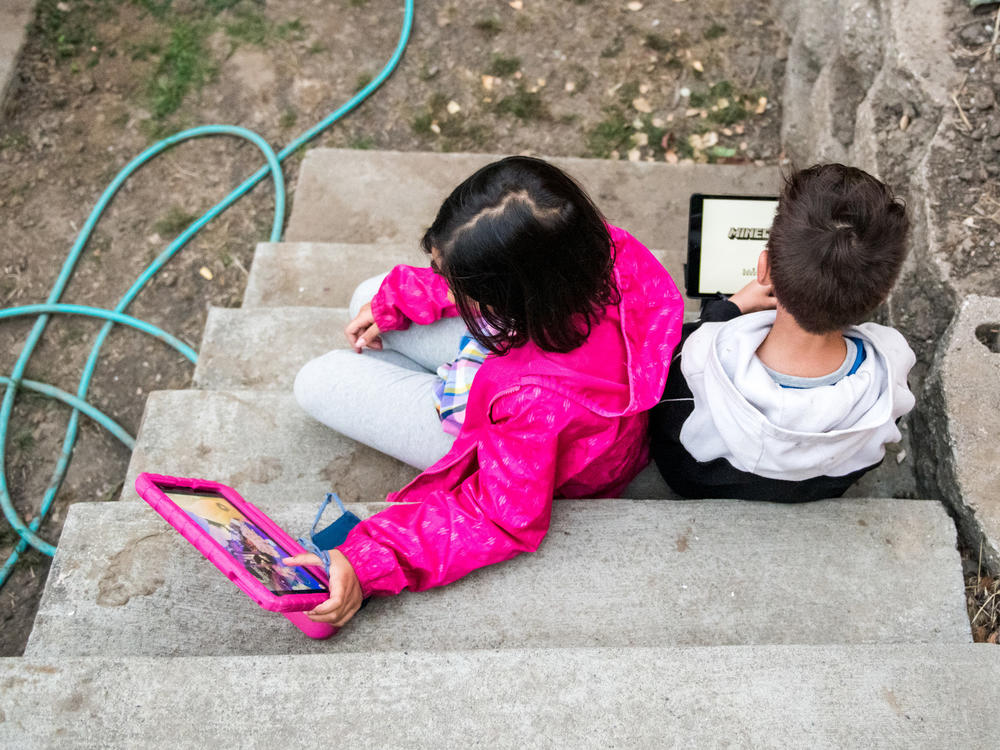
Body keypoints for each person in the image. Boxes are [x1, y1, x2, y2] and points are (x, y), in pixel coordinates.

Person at [288, 156, 685, 626]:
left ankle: (411, 375)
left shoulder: (535, 404)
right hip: (539, 377)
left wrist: (369, 559)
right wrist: (411, 296)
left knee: (317, 382)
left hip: (520, 421)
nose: (442, 281)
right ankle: (409, 357)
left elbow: (498, 516)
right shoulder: (601, 248)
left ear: (512, 296)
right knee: (371, 296)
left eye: (457, 282)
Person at [649, 163, 916, 501]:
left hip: (694, 484)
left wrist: (724, 312)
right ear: (883, 292)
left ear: (763, 268)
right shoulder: (889, 385)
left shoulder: (691, 359)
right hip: (819, 488)